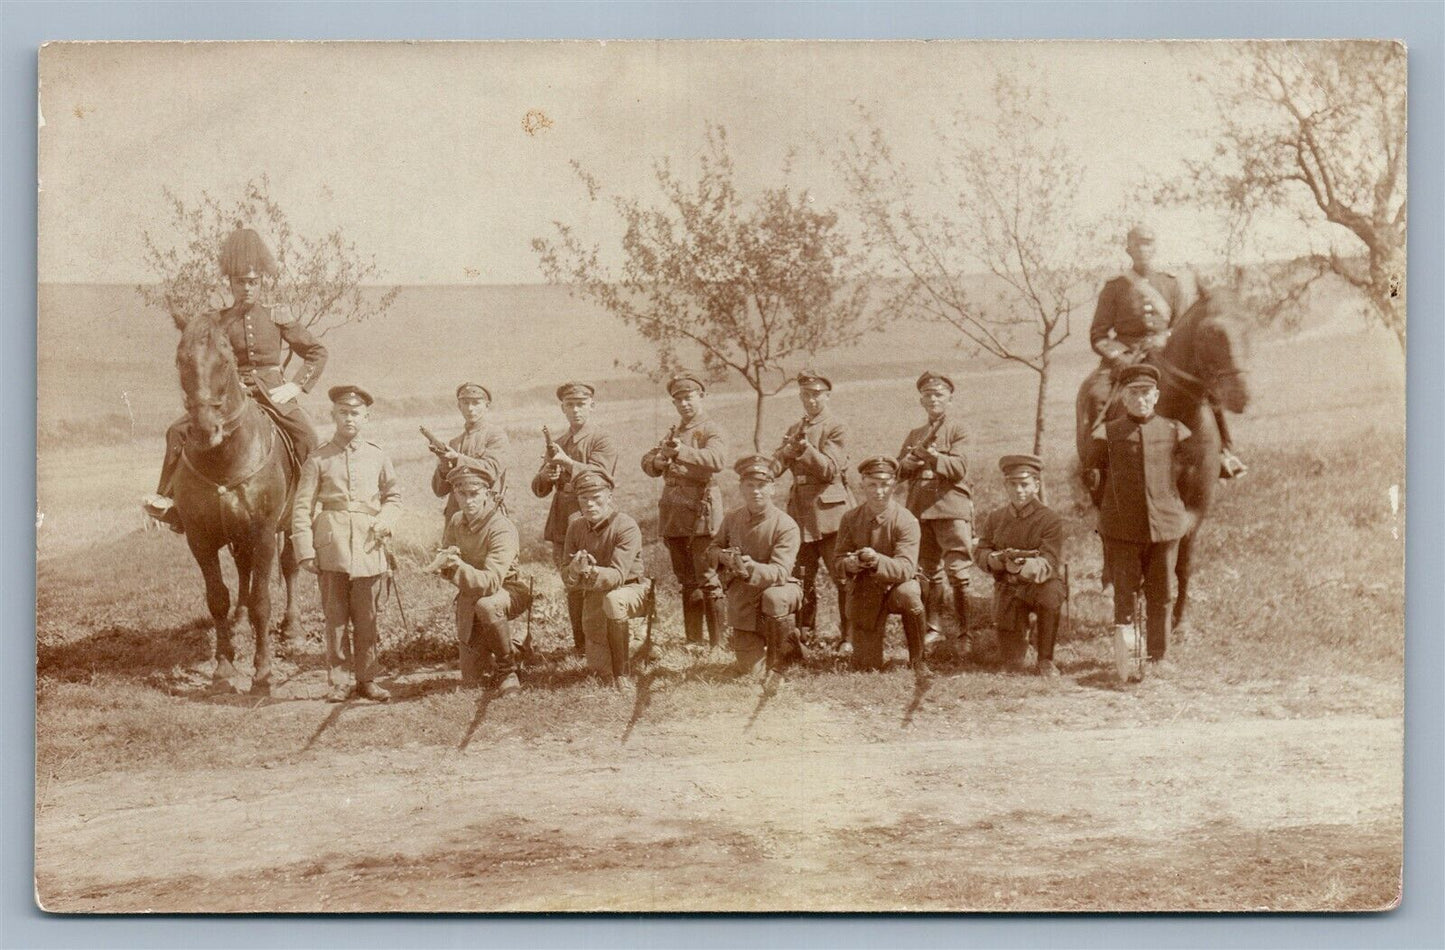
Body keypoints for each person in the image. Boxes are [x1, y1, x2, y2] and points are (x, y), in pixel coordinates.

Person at [144, 226, 328, 529]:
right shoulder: (216, 320)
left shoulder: (277, 316)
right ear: (230, 283)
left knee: (307, 435)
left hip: (274, 394)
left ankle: (312, 505)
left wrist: (295, 385)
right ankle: (169, 501)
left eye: (253, 282)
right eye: (241, 282)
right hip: (229, 399)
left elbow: (317, 351)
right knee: (176, 433)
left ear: (261, 282)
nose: (247, 289)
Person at [1083, 223, 1245, 479]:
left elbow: (1180, 325)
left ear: (1155, 247)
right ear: (1128, 249)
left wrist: (1164, 338)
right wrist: (1120, 357)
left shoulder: (1169, 284)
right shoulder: (1114, 288)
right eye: (1137, 244)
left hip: (1164, 355)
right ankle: (1096, 466)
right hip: (1126, 357)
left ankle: (1225, 453)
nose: (1143, 249)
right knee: (1095, 394)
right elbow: (1098, 335)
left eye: (1148, 243)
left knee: (1206, 391)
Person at [1083, 364, 1194, 682]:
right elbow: (1091, 473)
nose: (1141, 399)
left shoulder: (1176, 430)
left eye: (1146, 393)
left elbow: (1192, 471)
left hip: (1165, 525)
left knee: (1162, 592)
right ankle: (1127, 654)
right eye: (1134, 393)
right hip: (1122, 528)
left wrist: (1178, 508)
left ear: (1156, 396)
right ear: (1123, 397)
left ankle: (1159, 655)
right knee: (1125, 592)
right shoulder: (1106, 432)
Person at [291, 385, 402, 703]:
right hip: (332, 545)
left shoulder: (378, 455)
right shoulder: (319, 458)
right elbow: (301, 507)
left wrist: (386, 521)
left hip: (368, 545)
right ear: (333, 415)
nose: (349, 418)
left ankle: (367, 679)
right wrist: (304, 550)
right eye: (343, 412)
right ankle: (339, 681)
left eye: (355, 413)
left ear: (366, 417)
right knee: (335, 616)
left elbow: (393, 497)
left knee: (367, 616)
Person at [640, 373, 728, 649]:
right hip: (674, 514)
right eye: (678, 399)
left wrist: (681, 452)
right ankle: (693, 641)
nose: (683, 404)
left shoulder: (712, 429)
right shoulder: (673, 432)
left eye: (688, 398)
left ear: (701, 397)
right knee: (687, 580)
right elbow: (648, 463)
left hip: (701, 512)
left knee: (708, 578)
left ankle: (718, 644)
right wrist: (659, 458)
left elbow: (717, 460)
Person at [530, 381, 619, 655]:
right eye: (570, 405)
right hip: (562, 520)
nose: (576, 410)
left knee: (594, 577)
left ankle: (602, 643)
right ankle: (581, 645)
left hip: (591, 518)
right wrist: (547, 474)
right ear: (562, 408)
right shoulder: (558, 442)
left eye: (581, 404)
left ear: (592, 406)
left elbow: (603, 477)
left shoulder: (601, 439)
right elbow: (538, 488)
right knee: (571, 581)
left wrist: (567, 463)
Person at [772, 369, 853, 649]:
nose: (811, 400)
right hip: (801, 515)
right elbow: (774, 469)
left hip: (830, 514)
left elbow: (830, 469)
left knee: (842, 576)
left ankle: (849, 636)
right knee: (802, 576)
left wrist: (804, 450)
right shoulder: (794, 429)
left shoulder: (835, 426)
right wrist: (785, 452)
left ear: (827, 395)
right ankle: (805, 634)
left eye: (817, 394)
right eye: (806, 394)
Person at [707, 455, 806, 682]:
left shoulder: (785, 524)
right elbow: (712, 549)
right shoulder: (732, 518)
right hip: (743, 600)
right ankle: (790, 642)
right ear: (741, 487)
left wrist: (752, 568)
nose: (756, 491)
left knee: (774, 598)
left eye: (762, 486)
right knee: (750, 673)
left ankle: (782, 655)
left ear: (772, 488)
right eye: (750, 486)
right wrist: (723, 556)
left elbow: (781, 572)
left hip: (778, 590)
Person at [896, 371, 975, 655]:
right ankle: (934, 628)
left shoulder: (958, 430)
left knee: (958, 572)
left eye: (939, 394)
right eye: (928, 395)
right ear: (921, 400)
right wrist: (909, 461)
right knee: (928, 572)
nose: (933, 399)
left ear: (950, 399)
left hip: (950, 507)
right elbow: (898, 473)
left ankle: (965, 633)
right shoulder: (915, 434)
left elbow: (959, 469)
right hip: (919, 510)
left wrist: (931, 457)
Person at [437, 459, 531, 694]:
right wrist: (442, 562)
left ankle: (507, 668)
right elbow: (447, 552)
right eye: (461, 493)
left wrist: (456, 568)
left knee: (487, 606)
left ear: (487, 494)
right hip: (471, 596)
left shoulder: (501, 527)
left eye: (474, 493)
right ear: (455, 494)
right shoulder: (457, 521)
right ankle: (514, 648)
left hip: (508, 591)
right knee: (472, 681)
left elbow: (490, 583)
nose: (468, 500)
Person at [832, 456, 929, 676]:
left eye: (885, 484)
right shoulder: (850, 518)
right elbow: (837, 561)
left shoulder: (906, 520)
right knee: (866, 666)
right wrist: (851, 563)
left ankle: (918, 659)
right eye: (872, 485)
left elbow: (905, 568)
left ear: (894, 485)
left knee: (910, 592)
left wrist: (876, 560)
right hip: (866, 592)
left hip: (896, 588)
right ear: (862, 486)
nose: (879, 491)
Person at [974, 454, 1067, 677]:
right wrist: (991, 559)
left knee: (1051, 593)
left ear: (1036, 485)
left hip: (1037, 585)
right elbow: (981, 550)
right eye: (1013, 484)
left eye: (1024, 484)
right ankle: (1020, 641)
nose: (1019, 490)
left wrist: (1024, 566)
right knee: (1012, 663)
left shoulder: (1049, 519)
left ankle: (1045, 658)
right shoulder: (995, 518)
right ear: (1006, 485)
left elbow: (1050, 562)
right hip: (1008, 588)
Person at [560, 470, 651, 688]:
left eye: (596, 497)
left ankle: (623, 674)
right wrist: (573, 569)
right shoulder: (576, 526)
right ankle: (619, 658)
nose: (590, 504)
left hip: (631, 590)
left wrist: (590, 572)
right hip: (596, 595)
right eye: (584, 498)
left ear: (609, 496)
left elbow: (618, 575)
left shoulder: (625, 526)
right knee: (599, 669)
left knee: (613, 600)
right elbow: (565, 575)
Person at [430, 382, 510, 522]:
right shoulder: (454, 443)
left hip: (486, 514)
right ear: (459, 406)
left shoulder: (496, 435)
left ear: (487, 405)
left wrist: (457, 459)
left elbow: (492, 469)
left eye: (476, 403)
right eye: (465, 403)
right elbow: (439, 491)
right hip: (456, 517)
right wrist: (443, 467)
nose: (470, 408)